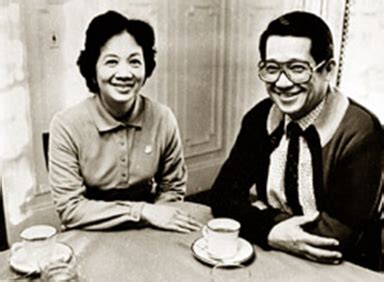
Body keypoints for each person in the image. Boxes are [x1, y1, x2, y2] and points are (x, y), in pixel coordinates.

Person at [210, 11, 383, 270]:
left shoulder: (362, 131)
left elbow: (337, 237)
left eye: (297, 69)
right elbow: (222, 195)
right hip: (270, 249)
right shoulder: (260, 117)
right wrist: (270, 230)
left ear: (328, 70)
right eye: (272, 68)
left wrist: (257, 214)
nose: (282, 82)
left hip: (343, 265)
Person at [49, 11, 202, 233]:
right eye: (111, 62)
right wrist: (142, 211)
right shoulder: (66, 125)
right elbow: (71, 209)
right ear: (93, 69)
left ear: (146, 67)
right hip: (89, 230)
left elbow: (172, 188)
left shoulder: (163, 118)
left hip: (148, 230)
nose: (124, 73)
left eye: (134, 62)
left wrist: (157, 216)